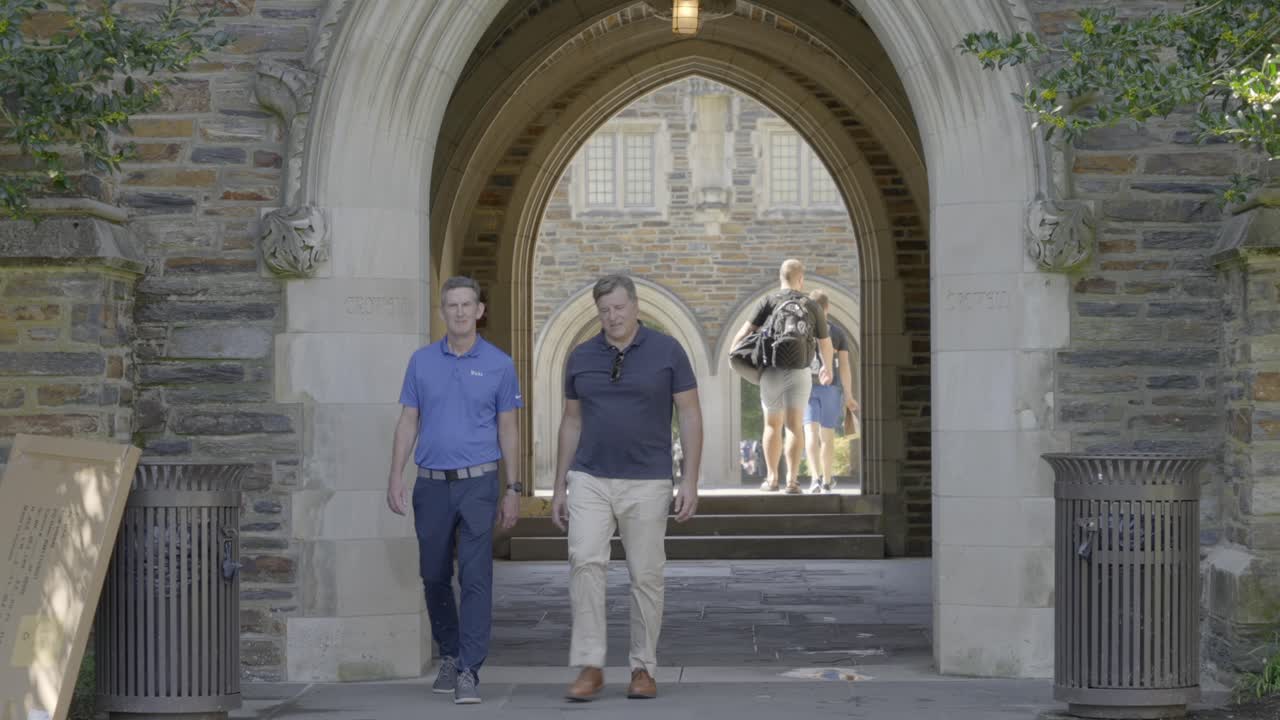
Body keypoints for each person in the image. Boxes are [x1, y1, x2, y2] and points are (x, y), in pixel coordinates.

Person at [551, 274, 703, 702]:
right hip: (589, 477)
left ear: (635, 306)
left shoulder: (668, 351)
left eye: (619, 308)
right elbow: (571, 421)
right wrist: (559, 485)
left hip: (648, 480)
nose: (612, 317)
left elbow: (690, 414)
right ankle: (590, 666)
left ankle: (642, 667)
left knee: (646, 576)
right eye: (604, 310)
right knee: (584, 561)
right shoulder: (580, 356)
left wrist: (689, 479)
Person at [386, 276, 523, 705]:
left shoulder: (500, 364)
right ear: (443, 312)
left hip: (479, 483)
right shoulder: (421, 362)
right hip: (430, 485)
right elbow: (408, 421)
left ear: (480, 311)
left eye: (468, 305)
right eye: (452, 306)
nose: (461, 312)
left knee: (477, 576)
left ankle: (469, 669)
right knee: (433, 574)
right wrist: (395, 475)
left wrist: (513, 488)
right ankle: (449, 652)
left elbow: (509, 429)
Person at [729, 259, 833, 494]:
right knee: (795, 425)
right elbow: (824, 343)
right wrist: (828, 367)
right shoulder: (811, 305)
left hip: (771, 370)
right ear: (801, 279)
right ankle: (793, 482)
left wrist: (733, 354)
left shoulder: (768, 300)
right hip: (800, 371)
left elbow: (745, 332)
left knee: (772, 425)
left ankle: (772, 479)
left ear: (780, 278)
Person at [803, 290, 859, 493]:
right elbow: (844, 366)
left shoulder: (802, 331)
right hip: (831, 388)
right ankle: (827, 481)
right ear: (827, 308)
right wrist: (849, 394)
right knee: (827, 436)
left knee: (810, 432)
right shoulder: (837, 333)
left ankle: (814, 479)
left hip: (806, 388)